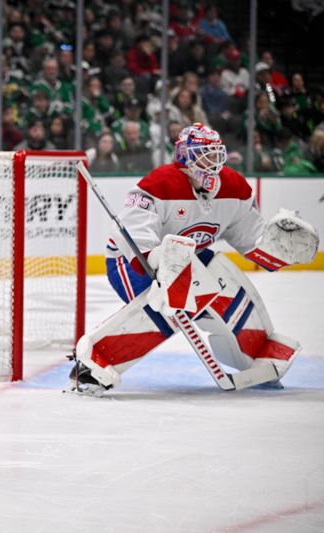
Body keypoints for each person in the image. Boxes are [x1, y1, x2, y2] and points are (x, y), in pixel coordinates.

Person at [70, 123, 319, 394]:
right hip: (131, 263)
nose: (213, 161)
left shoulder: (234, 187)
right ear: (186, 155)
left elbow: (251, 239)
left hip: (190, 263)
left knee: (222, 277)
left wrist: (276, 249)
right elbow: (134, 235)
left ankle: (257, 355)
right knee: (168, 303)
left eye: (216, 154)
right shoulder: (159, 183)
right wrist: (162, 265)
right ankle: (94, 364)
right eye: (205, 154)